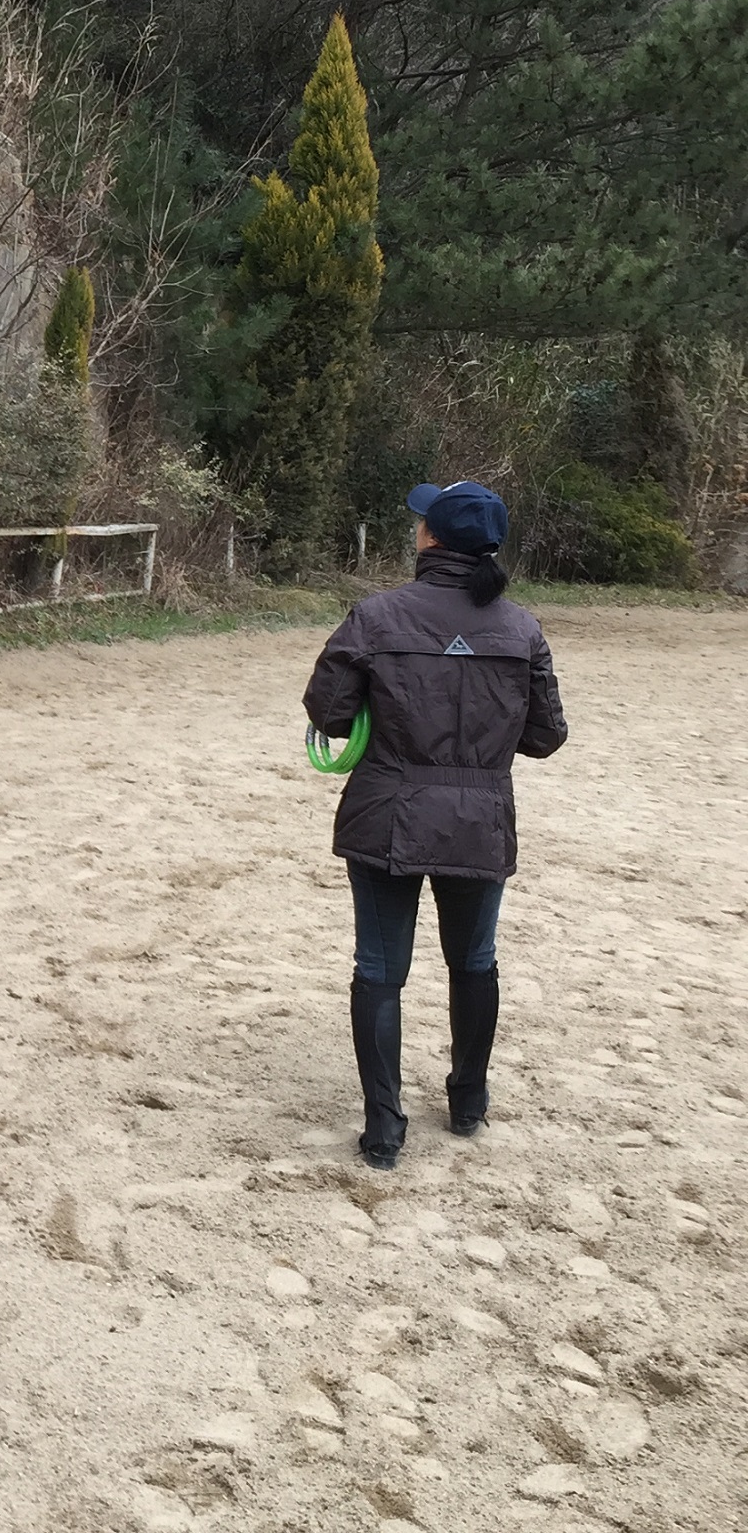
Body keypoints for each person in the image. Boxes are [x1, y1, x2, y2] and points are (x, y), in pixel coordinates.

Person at [304, 481, 568, 1171]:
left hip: (387, 812)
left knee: (380, 969)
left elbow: (330, 713)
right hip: (479, 818)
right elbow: (545, 737)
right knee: (474, 960)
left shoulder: (376, 616)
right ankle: (468, 1101)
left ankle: (384, 1127)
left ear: (430, 539)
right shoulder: (521, 629)